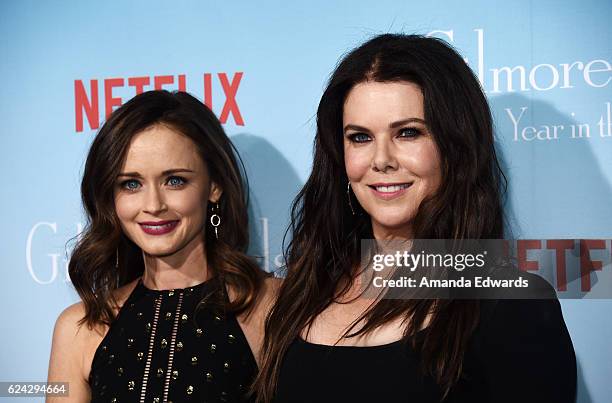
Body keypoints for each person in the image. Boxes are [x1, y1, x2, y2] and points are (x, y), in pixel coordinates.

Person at [254, 34, 576, 403]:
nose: (381, 159)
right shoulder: (305, 289)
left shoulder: (511, 304)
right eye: (360, 137)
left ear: (455, 149)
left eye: (408, 133)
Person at [47, 90, 277, 403]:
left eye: (175, 180)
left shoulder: (271, 306)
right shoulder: (79, 327)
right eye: (131, 184)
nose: (153, 205)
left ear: (214, 186)